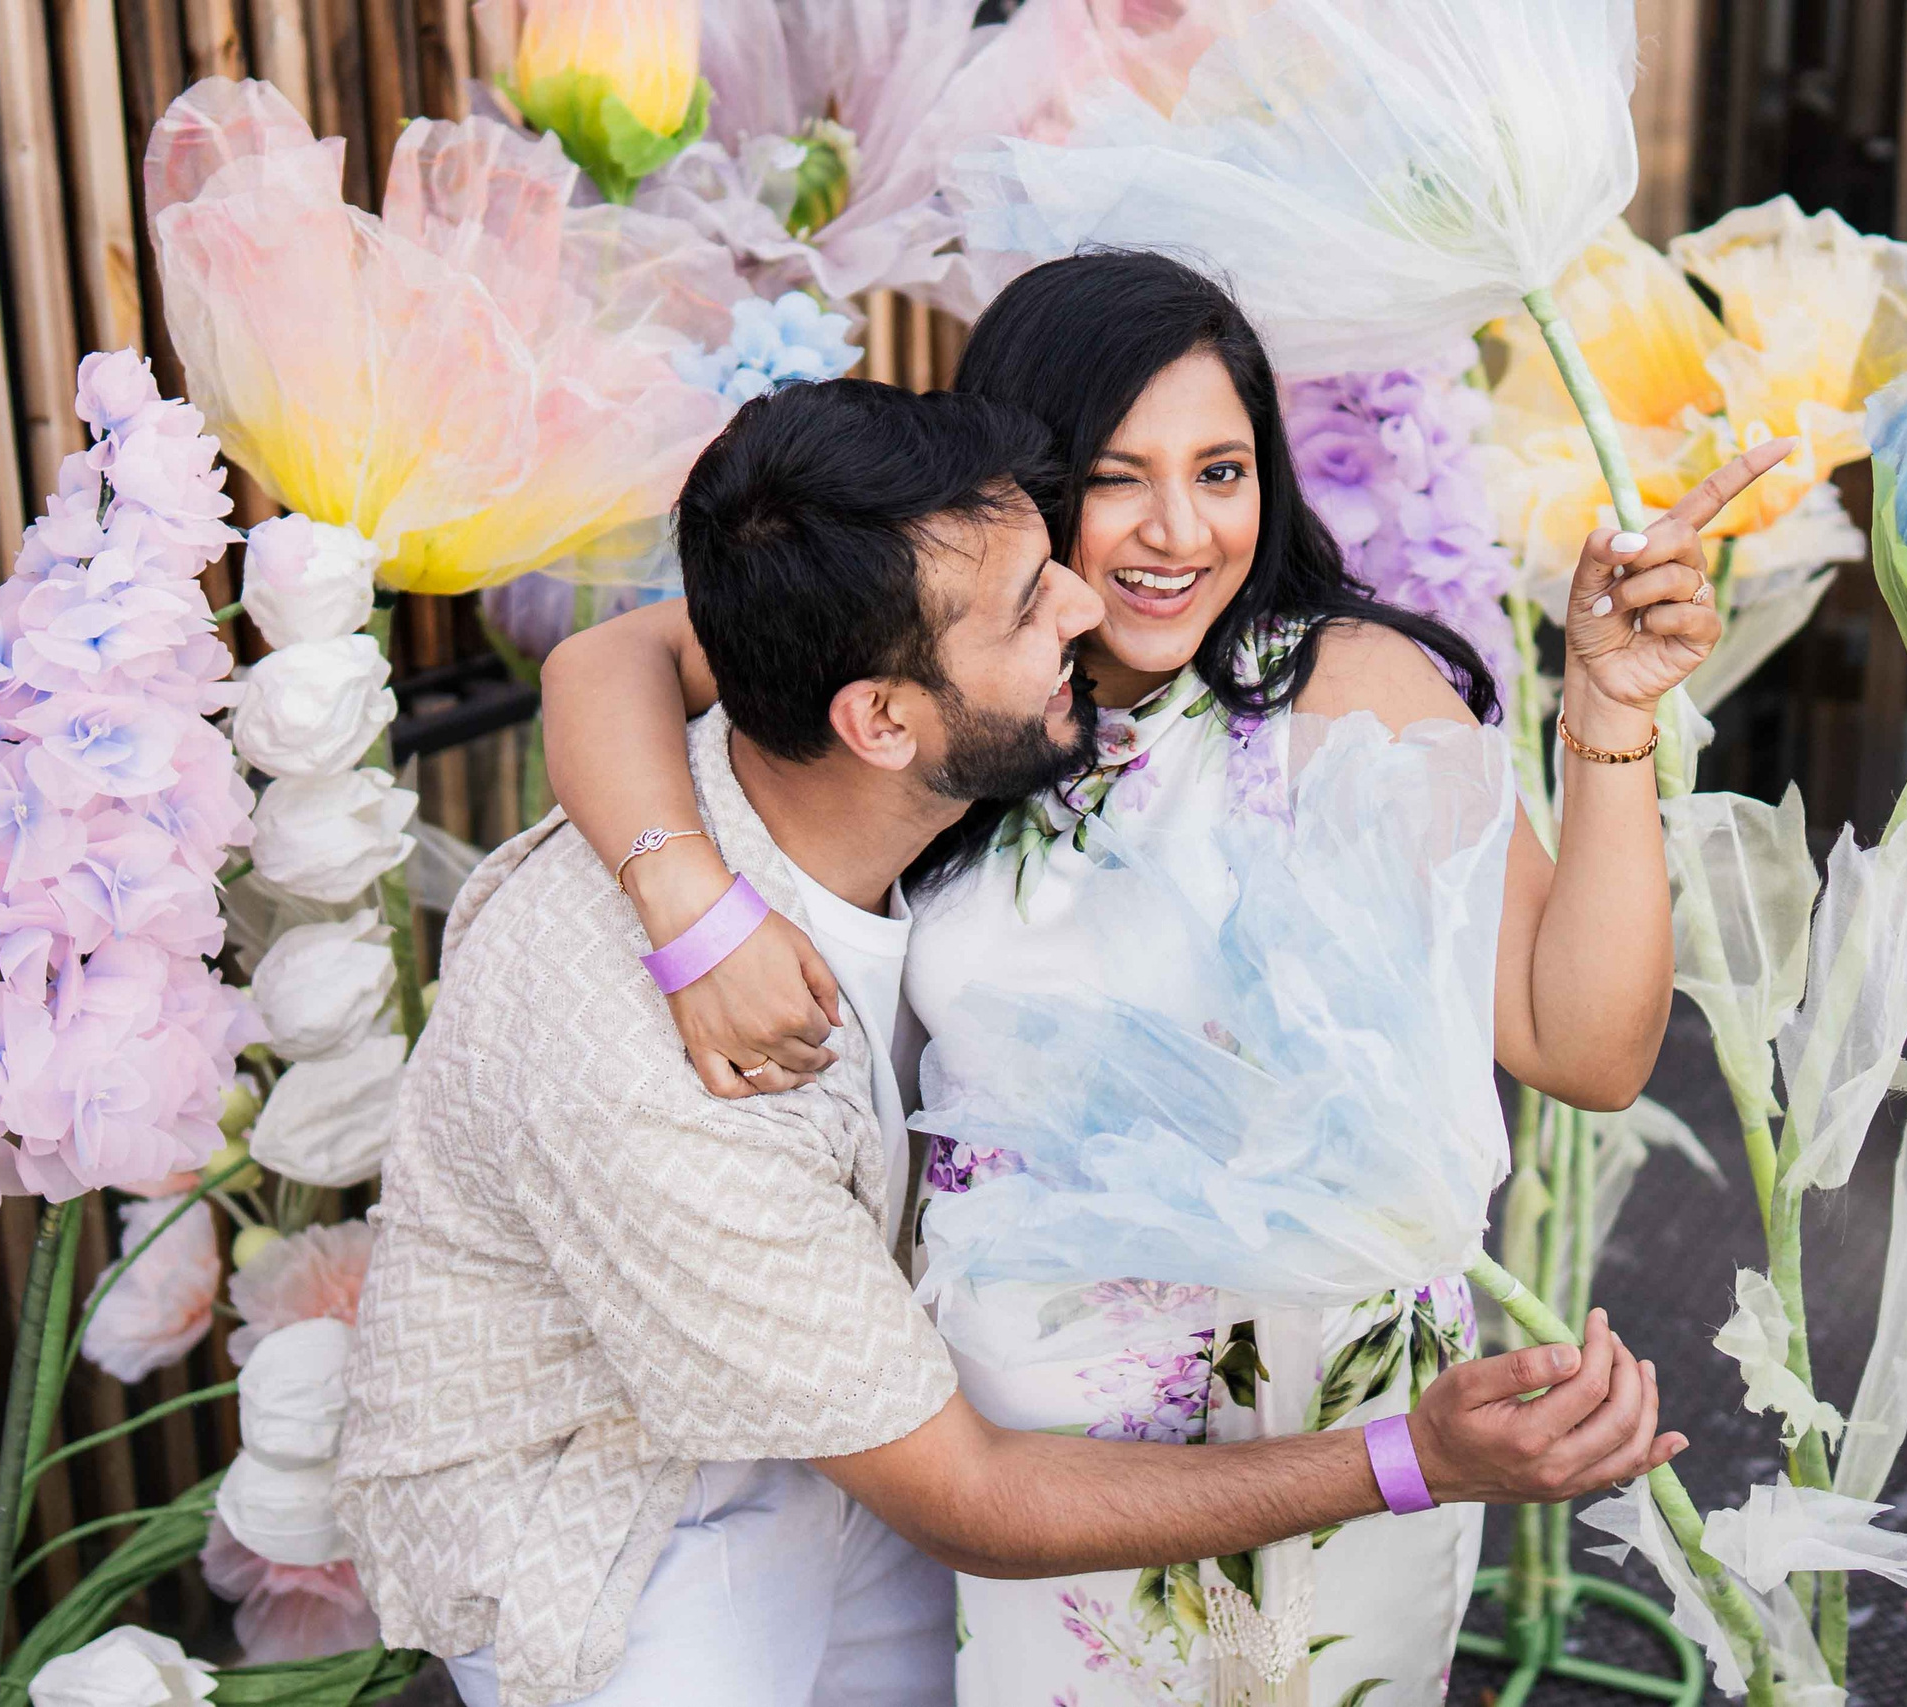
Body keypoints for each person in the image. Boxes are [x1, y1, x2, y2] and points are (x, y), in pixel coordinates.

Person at [539, 254, 1783, 1703]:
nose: (1179, 532)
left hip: (1350, 1416)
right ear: (1026, 486)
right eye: (1120, 478)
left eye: (1225, 469)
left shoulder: (1352, 689)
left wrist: (1611, 722)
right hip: (1042, 1444)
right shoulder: (958, 660)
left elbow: (1588, 1049)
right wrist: (687, 906)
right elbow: (603, 664)